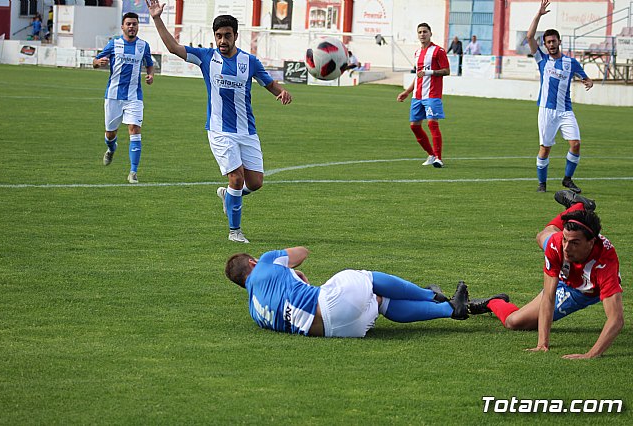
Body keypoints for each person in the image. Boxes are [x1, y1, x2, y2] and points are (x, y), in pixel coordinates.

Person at [147, 0, 292, 244]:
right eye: (218, 36)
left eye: (227, 35)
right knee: (236, 177)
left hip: (247, 130)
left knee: (254, 183)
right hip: (219, 130)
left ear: (236, 36)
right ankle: (235, 231)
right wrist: (157, 18)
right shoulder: (206, 57)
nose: (222, 41)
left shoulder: (250, 61)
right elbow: (173, 47)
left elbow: (268, 83)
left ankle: (229, 197)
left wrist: (281, 92)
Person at [476, 190, 623, 359]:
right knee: (542, 237)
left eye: (574, 243)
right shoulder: (557, 245)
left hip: (582, 291)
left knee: (514, 323)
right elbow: (549, 295)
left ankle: (577, 208)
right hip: (564, 277)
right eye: (565, 239)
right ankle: (576, 207)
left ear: (591, 242)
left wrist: (591, 354)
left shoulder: (605, 264)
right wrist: (542, 343)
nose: (567, 248)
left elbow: (616, 319)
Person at [223, 246, 492, 337]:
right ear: (252, 263)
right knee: (363, 278)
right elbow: (302, 253)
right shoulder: (265, 262)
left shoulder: (254, 311)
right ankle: (432, 295)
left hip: (341, 331)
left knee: (378, 300)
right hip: (330, 305)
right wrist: (293, 270)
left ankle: (451, 310)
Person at [528, 0, 593, 193]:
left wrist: (588, 81)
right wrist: (539, 14)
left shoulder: (570, 62)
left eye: (554, 41)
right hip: (546, 110)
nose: (551, 45)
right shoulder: (542, 60)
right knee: (545, 148)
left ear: (559, 42)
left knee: (576, 144)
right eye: (548, 42)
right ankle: (542, 183)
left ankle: (567, 179)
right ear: (545, 45)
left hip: (566, 110)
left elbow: (585, 77)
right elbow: (530, 36)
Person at [93, 13, 154, 184]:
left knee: (134, 129)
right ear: (122, 27)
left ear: (137, 26)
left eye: (134, 24)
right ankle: (111, 148)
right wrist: (99, 63)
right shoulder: (114, 44)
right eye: (128, 24)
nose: (132, 27)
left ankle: (133, 172)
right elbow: (95, 61)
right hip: (113, 96)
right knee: (110, 133)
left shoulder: (143, 46)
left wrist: (150, 76)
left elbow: (149, 64)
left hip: (135, 97)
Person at [397, 23, 450, 168]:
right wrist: (407, 92)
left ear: (430, 33)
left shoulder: (438, 51)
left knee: (432, 123)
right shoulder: (417, 53)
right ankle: (431, 154)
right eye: (420, 32)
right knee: (414, 126)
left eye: (425, 32)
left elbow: (446, 71)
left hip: (432, 94)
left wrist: (430, 72)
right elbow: (418, 76)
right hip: (417, 96)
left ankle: (439, 158)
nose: (422, 34)